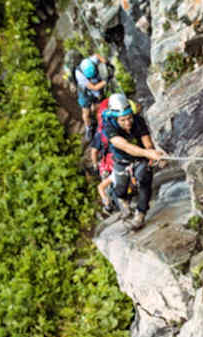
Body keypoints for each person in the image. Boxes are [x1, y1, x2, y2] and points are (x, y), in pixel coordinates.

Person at [102, 94, 166, 230]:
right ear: (115, 118)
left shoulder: (138, 121)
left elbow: (146, 141)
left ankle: (140, 214)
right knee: (120, 187)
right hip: (121, 160)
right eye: (123, 120)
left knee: (145, 178)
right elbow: (125, 146)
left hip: (140, 159)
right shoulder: (109, 127)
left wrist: (153, 154)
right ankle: (123, 201)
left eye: (129, 118)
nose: (127, 123)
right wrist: (148, 153)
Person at [73, 54, 110, 156]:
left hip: (97, 88)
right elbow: (94, 87)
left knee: (99, 106)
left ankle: (100, 123)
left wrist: (106, 62)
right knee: (86, 112)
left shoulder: (91, 61)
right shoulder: (79, 74)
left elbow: (98, 56)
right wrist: (106, 81)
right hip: (85, 93)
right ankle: (88, 127)